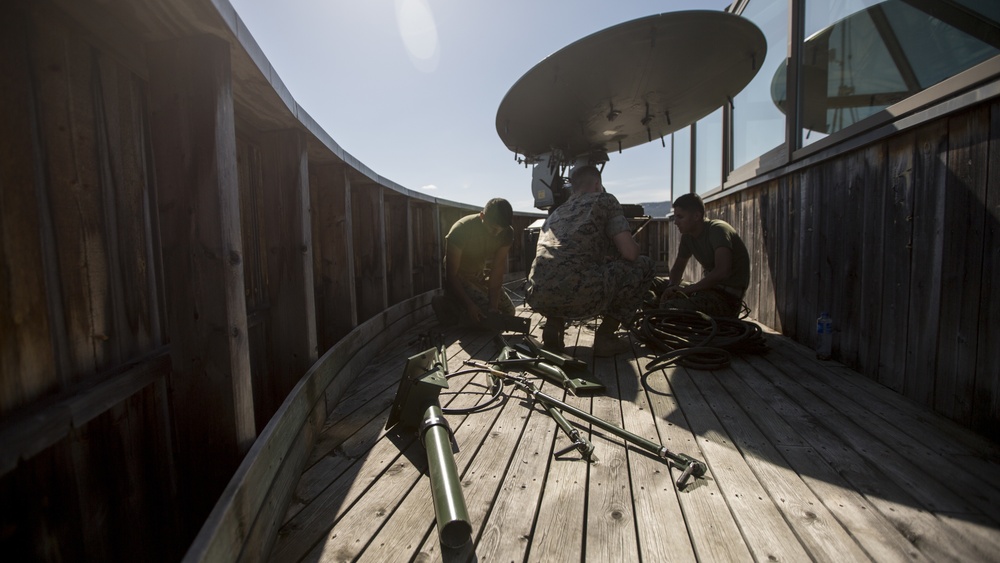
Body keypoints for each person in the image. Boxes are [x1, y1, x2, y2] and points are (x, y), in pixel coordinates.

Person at [526, 165, 654, 357]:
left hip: (537, 295)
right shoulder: (604, 200)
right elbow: (629, 253)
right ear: (597, 184)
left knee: (563, 271)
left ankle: (554, 323)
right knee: (644, 265)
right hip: (581, 295)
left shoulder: (558, 211)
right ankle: (606, 336)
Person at [658, 193, 750, 318]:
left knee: (669, 307)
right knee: (651, 285)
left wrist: (687, 290)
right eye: (675, 217)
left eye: (680, 217)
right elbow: (679, 267)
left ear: (696, 216)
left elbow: (722, 271)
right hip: (706, 291)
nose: (676, 222)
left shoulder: (718, 230)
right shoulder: (687, 236)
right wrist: (672, 288)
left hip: (726, 299)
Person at [434, 198, 516, 326]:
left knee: (508, 313)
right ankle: (446, 304)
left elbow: (497, 270)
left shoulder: (507, 233)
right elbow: (451, 275)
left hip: (478, 274)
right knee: (482, 318)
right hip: (459, 276)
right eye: (493, 228)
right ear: (482, 216)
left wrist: (493, 307)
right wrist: (469, 305)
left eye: (501, 230)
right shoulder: (461, 230)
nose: (496, 234)